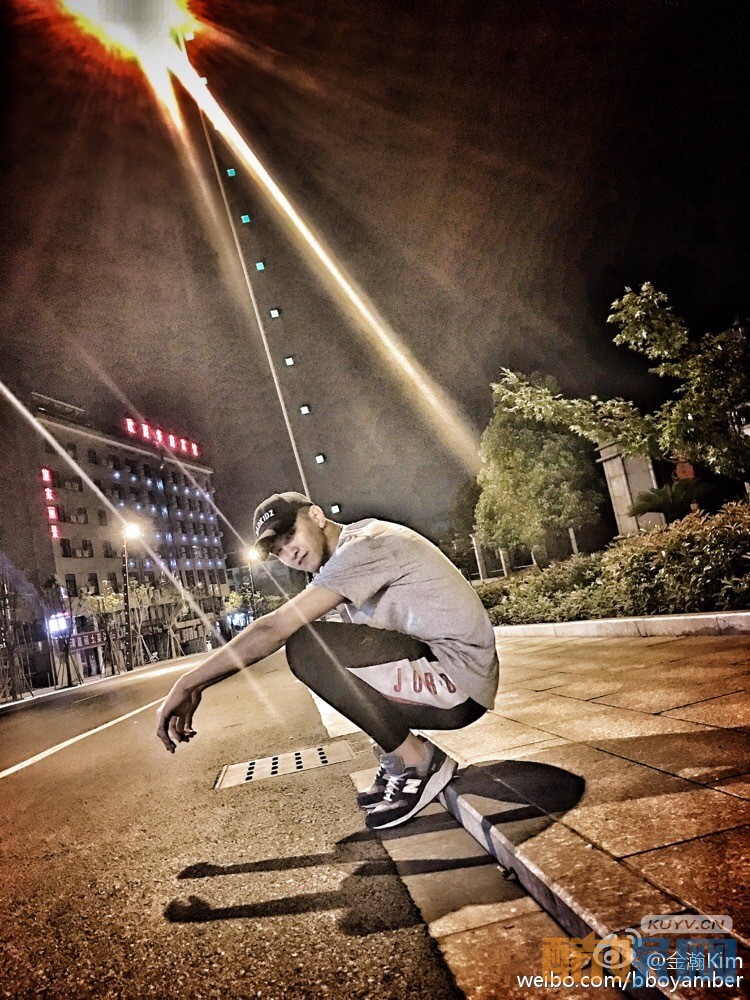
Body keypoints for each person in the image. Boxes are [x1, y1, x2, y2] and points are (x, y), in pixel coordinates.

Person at [156, 492, 499, 830]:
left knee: (308, 647)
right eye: (278, 551)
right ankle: (398, 753)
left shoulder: (363, 546)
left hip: (459, 683)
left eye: (291, 535)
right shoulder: (344, 557)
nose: (289, 553)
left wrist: (189, 683)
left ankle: (418, 762)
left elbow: (273, 629)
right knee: (334, 648)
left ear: (317, 516)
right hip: (445, 672)